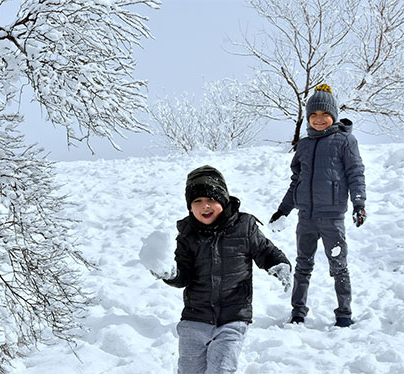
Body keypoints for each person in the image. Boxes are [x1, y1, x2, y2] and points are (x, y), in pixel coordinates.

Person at [153, 166, 293, 374]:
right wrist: (171, 274)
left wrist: (278, 263)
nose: (205, 206)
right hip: (194, 318)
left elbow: (265, 250)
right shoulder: (187, 234)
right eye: (197, 201)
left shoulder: (244, 226)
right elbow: (183, 275)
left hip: (233, 318)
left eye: (211, 200)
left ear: (223, 200)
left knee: (221, 370)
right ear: (190, 207)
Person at [269, 84, 367, 328]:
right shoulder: (303, 145)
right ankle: (298, 312)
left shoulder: (345, 140)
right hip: (307, 218)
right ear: (308, 118)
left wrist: (359, 203)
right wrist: (283, 210)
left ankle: (344, 313)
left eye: (324, 114)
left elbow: (356, 173)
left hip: (332, 217)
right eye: (314, 115)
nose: (319, 119)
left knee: (338, 265)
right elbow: (296, 182)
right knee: (303, 265)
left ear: (332, 115)